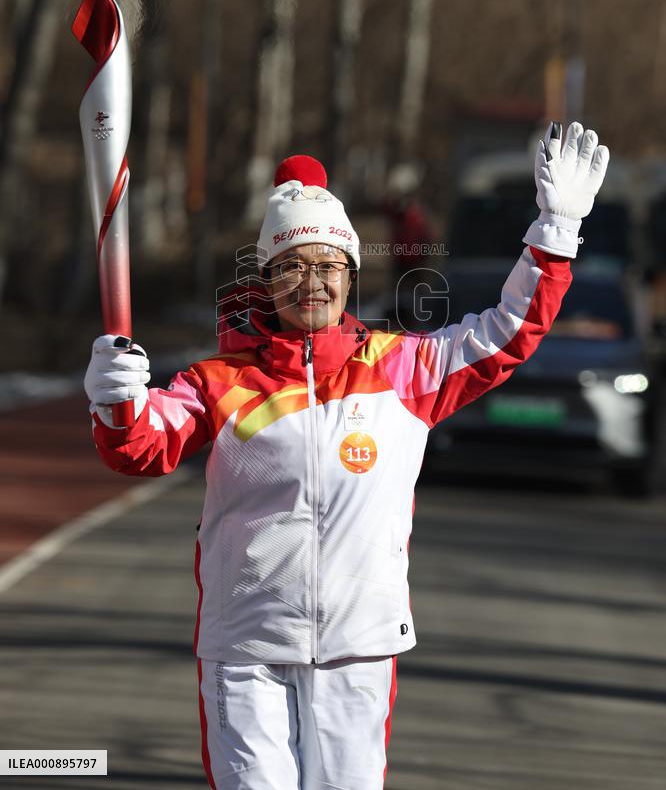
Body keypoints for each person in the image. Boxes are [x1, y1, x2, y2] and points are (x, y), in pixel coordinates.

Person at [84, 121, 609, 789]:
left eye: (330, 265)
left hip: (360, 646)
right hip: (244, 646)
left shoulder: (405, 370)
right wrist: (115, 399)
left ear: (350, 275)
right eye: (294, 266)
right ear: (268, 279)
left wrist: (554, 233)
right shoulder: (218, 381)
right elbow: (140, 449)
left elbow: (510, 332)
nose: (313, 282)